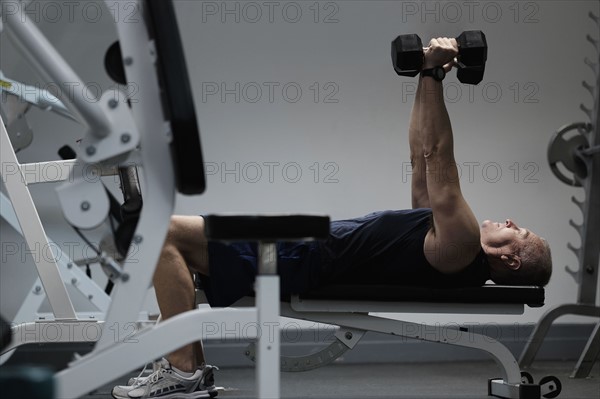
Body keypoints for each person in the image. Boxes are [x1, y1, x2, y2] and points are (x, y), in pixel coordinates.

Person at [111, 37, 552, 399]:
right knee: (169, 240)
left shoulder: (461, 245)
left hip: (304, 258)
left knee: (162, 233)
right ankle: (189, 369)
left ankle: (182, 370)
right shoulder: (446, 241)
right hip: (304, 244)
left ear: (510, 260)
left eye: (521, 231)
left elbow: (440, 156)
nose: (512, 221)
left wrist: (436, 72)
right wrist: (425, 76)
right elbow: (421, 157)